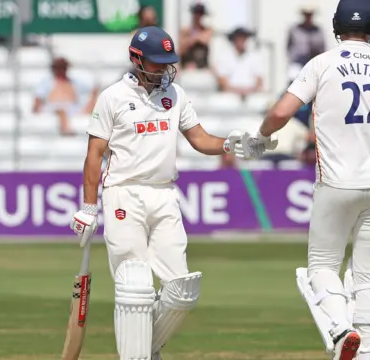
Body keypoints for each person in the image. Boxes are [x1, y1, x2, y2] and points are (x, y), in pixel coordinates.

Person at [69, 26, 264, 360]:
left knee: (182, 289)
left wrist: (232, 143)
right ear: (136, 59)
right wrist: (88, 207)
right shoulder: (113, 97)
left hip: (165, 195)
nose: (164, 69)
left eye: (168, 62)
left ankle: (144, 348)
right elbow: (94, 154)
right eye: (157, 63)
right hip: (123, 195)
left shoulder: (176, 94)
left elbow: (201, 139)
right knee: (135, 285)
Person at [251, 1, 370, 359]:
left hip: (335, 184)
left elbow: (282, 111)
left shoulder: (321, 64)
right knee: (368, 277)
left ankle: (339, 327)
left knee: (320, 268)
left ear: (336, 27)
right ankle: (365, 353)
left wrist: (260, 136)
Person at [33, 57, 97, 135]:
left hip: (73, 107)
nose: (61, 70)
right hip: (54, 107)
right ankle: (65, 128)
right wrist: (36, 109)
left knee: (96, 105)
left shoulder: (74, 82)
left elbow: (90, 91)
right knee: (61, 110)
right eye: (59, 68)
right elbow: (38, 98)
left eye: (63, 67)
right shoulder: (47, 82)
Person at [214, 27, 264, 96]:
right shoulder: (224, 57)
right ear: (234, 39)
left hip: (251, 97)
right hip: (230, 97)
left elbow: (259, 80)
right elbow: (222, 81)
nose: (242, 40)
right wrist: (237, 91)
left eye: (244, 37)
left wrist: (249, 91)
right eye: (240, 37)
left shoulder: (254, 57)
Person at [287, 3, 326, 76]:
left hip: (313, 63)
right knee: (293, 79)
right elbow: (288, 46)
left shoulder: (318, 31)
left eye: (310, 15)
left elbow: (322, 48)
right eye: (306, 14)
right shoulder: (294, 30)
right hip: (297, 63)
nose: (308, 17)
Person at [179, 3, 213, 69]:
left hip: (202, 67)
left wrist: (191, 39)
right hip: (187, 66)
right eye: (196, 13)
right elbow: (181, 49)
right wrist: (196, 38)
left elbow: (205, 39)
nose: (198, 15)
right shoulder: (185, 30)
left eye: (200, 13)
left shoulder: (207, 30)